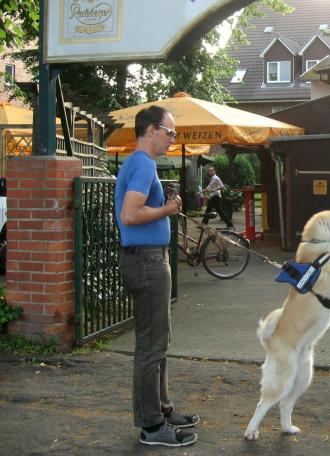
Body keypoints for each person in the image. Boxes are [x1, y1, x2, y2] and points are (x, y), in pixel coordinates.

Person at [115, 106, 199, 448]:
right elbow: (130, 215)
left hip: (148, 259)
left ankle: (162, 410)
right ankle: (151, 426)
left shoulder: (138, 164)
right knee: (151, 346)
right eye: (170, 131)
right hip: (147, 261)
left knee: (158, 341)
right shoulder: (142, 164)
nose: (172, 138)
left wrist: (163, 205)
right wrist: (166, 209)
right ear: (151, 129)